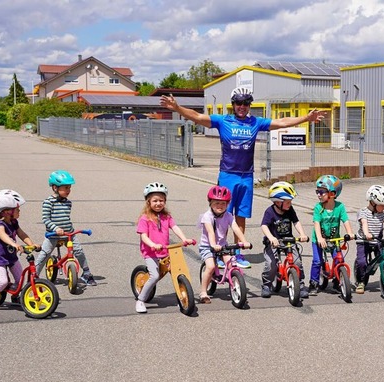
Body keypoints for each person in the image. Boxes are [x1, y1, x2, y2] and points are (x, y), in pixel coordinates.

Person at [160, 88, 327, 268]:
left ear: (249, 105)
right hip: (227, 175)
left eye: (246, 103)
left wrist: (306, 118)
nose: (242, 106)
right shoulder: (223, 121)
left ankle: (237, 254)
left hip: (246, 177)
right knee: (221, 215)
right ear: (233, 105)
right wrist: (177, 108)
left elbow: (282, 122)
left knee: (241, 216)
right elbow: (197, 117)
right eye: (238, 103)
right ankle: (218, 252)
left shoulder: (255, 122)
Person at [135, 182, 195, 314]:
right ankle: (140, 300)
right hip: (151, 253)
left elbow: (175, 227)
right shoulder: (144, 218)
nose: (158, 203)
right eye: (155, 200)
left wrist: (184, 239)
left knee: (178, 272)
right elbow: (143, 236)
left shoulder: (166, 217)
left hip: (166, 252)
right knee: (155, 276)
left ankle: (182, 298)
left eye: (161, 200)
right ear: (148, 202)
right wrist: (152, 245)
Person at [35, 170, 96, 286]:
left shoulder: (68, 203)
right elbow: (46, 219)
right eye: (65, 188)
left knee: (79, 251)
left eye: (69, 188)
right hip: (53, 235)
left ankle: (86, 273)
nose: (68, 190)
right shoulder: (48, 202)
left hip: (69, 233)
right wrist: (55, 228)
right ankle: (34, 277)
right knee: (44, 253)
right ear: (55, 188)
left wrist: (70, 231)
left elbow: (66, 218)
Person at [0, 190, 38, 313]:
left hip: (11, 257)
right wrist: (14, 244)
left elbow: (21, 233)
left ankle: (15, 297)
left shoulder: (13, 222)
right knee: (3, 281)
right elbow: (2, 235)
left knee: (20, 279)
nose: (19, 211)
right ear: (7, 211)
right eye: (17, 209)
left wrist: (31, 244)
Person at [198, 185, 250, 304]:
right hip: (208, 246)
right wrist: (213, 245)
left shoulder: (228, 215)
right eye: (217, 203)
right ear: (210, 203)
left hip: (223, 246)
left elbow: (236, 229)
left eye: (223, 204)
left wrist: (243, 241)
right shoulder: (207, 216)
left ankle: (235, 284)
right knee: (210, 267)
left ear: (227, 204)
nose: (220, 206)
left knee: (232, 264)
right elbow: (211, 232)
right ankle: (203, 292)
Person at [260, 181, 309, 298]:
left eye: (290, 201)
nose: (290, 204)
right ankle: (267, 284)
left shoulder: (290, 210)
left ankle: (300, 284)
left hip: (288, 241)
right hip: (274, 242)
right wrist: (271, 238)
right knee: (271, 264)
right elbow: (264, 226)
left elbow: (296, 222)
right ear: (278, 202)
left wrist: (302, 233)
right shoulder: (270, 211)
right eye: (287, 202)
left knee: (297, 261)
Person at [309, 175, 354, 296]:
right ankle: (313, 283)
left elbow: (345, 220)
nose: (318, 194)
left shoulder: (340, 207)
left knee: (339, 259)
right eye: (317, 192)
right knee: (317, 261)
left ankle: (336, 282)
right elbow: (316, 223)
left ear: (332, 194)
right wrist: (319, 238)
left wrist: (350, 232)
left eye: (322, 192)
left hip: (334, 240)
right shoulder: (318, 207)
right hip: (318, 239)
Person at [354, 185, 384, 294]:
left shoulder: (382, 214)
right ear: (373, 202)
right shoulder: (363, 212)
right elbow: (364, 223)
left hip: (377, 241)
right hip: (364, 241)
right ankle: (361, 281)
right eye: (382, 205)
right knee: (362, 262)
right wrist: (366, 233)